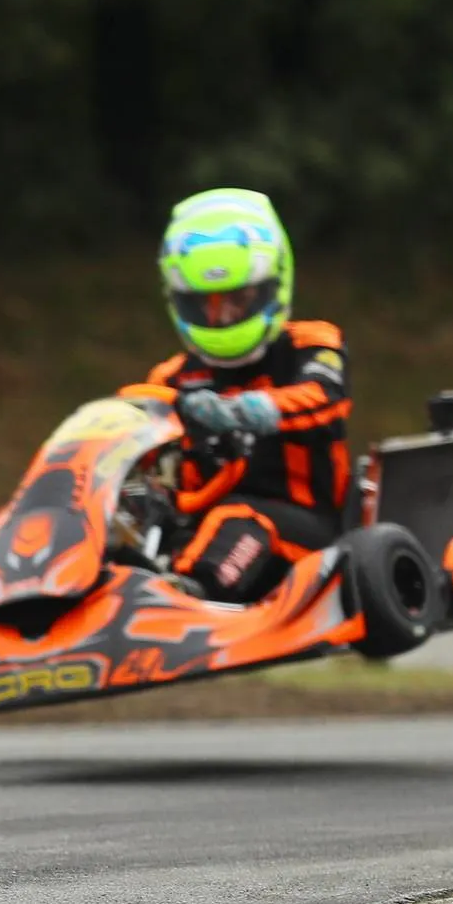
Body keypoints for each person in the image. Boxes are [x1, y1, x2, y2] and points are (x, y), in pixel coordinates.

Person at [125, 187, 353, 603]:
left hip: (309, 530)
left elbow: (324, 398)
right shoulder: (171, 377)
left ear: (272, 287)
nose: (223, 317)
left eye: (237, 300)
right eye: (205, 306)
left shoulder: (313, 344)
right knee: (128, 522)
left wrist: (242, 411)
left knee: (239, 518)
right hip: (200, 521)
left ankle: (185, 600)